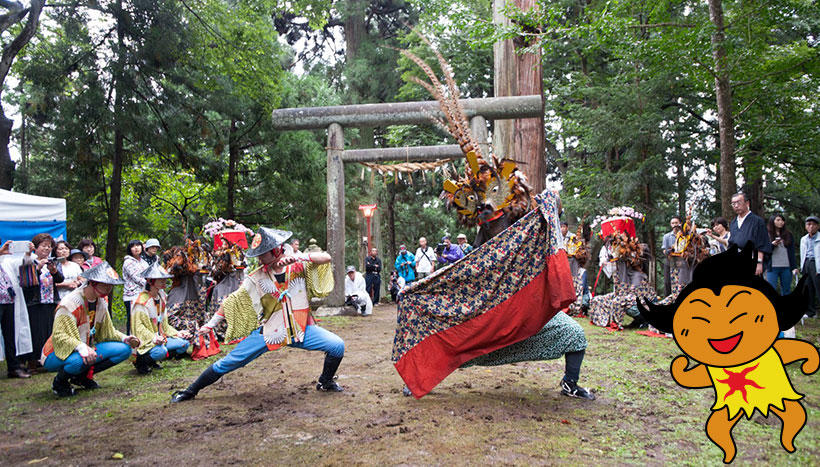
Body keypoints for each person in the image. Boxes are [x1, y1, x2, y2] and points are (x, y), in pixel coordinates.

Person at [171, 227, 343, 403]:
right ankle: (191, 391)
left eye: (263, 254)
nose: (259, 259)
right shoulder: (257, 277)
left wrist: (300, 256)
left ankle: (325, 382)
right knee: (229, 362)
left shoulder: (298, 265)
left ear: (275, 250)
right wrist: (210, 325)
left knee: (337, 346)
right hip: (270, 332)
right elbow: (232, 301)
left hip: (300, 329)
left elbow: (326, 258)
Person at [41, 261, 141, 397]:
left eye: (110, 285)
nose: (108, 289)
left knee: (124, 349)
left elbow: (108, 331)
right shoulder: (70, 303)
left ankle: (81, 377)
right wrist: (81, 347)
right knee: (78, 360)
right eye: (105, 284)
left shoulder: (101, 303)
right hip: (57, 351)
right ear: (93, 283)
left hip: (86, 347)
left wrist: (125, 338)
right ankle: (60, 383)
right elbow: (60, 336)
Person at [131, 263, 191, 374]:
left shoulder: (161, 297)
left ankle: (155, 358)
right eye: (160, 279)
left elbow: (165, 325)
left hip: (161, 337)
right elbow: (138, 328)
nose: (164, 281)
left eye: (164, 279)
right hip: (146, 340)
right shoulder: (141, 301)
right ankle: (141, 362)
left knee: (184, 343)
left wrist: (178, 333)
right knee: (161, 351)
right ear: (150, 281)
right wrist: (154, 338)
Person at [21, 233, 64, 369]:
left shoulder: (53, 261)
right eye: (43, 246)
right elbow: (26, 283)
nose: (47, 249)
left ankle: (50, 359)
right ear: (36, 248)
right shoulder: (28, 261)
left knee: (50, 332)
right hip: (35, 303)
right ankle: (33, 361)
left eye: (49, 246)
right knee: (36, 333)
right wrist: (38, 269)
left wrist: (54, 271)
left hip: (51, 301)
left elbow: (60, 279)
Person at [0, 240, 32, 378]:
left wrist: (28, 253)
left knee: (10, 335)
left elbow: (23, 263)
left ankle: (13, 367)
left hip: (8, 301)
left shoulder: (6, 260)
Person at [728, 192, 771, 275]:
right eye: (733, 204)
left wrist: (759, 263)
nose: (736, 206)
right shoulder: (733, 223)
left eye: (738, 202)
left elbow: (761, 243)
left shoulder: (757, 221)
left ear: (747, 203)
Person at [765, 214, 798, 295]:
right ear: (772, 221)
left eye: (782, 220)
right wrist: (772, 245)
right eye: (778, 220)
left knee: (786, 290)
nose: (781, 222)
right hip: (772, 267)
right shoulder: (766, 234)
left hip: (786, 267)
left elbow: (791, 252)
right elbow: (764, 251)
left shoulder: (788, 234)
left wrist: (794, 267)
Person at [122, 239, 149, 335]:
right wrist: (151, 285)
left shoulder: (144, 262)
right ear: (130, 249)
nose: (136, 248)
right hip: (131, 295)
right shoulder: (128, 262)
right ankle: (130, 341)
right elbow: (136, 277)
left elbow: (148, 275)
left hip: (143, 294)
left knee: (142, 319)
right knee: (132, 319)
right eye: (133, 246)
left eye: (138, 245)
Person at [799, 215, 820, 318]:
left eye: (813, 224)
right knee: (808, 288)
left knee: (818, 288)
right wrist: (802, 267)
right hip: (806, 263)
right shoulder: (803, 239)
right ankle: (811, 312)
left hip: (816, 263)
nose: (811, 227)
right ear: (805, 226)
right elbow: (803, 253)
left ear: (818, 226)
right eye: (808, 224)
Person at [662, 216, 682, 296]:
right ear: (671, 225)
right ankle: (668, 298)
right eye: (673, 223)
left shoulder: (684, 235)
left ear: (680, 223)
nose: (674, 225)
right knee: (667, 281)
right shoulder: (667, 236)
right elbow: (664, 249)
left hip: (681, 260)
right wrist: (668, 252)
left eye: (676, 223)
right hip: (670, 259)